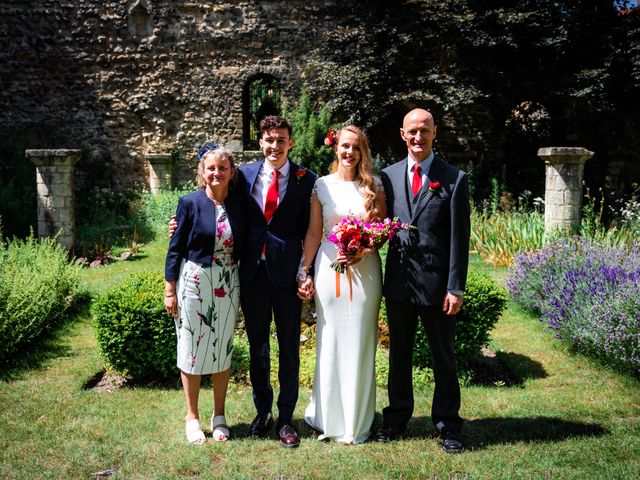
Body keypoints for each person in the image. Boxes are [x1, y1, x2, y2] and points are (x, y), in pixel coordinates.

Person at [376, 108, 470, 453]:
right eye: (412, 132)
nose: (418, 138)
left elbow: (460, 239)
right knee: (398, 355)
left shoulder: (454, 178)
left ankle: (448, 425)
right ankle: (397, 418)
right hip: (399, 283)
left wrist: (455, 287)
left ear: (434, 133)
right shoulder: (387, 176)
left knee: (443, 357)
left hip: (437, 286)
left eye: (424, 131)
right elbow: (379, 228)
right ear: (403, 134)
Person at [297, 125, 386, 444]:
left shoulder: (374, 186)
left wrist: (363, 249)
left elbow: (381, 232)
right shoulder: (322, 186)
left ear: (363, 152)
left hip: (366, 274)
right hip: (328, 271)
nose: (349, 152)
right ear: (335, 148)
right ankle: (327, 416)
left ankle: (358, 420)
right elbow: (313, 233)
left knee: (362, 340)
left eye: (356, 147)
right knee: (330, 339)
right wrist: (304, 271)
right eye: (344, 146)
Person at [237, 116, 317, 447]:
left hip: (286, 277)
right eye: (269, 139)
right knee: (258, 348)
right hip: (253, 273)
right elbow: (218, 203)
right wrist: (179, 221)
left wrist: (305, 271)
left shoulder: (306, 179)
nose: (275, 145)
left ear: (290, 143)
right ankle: (262, 411)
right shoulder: (243, 175)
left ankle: (286, 418)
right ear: (261, 142)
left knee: (288, 349)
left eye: (281, 140)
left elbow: (312, 228)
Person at [164, 144, 247, 444]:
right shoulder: (189, 203)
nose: (216, 173)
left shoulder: (240, 203)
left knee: (222, 347)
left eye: (222, 167)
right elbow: (175, 249)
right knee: (192, 348)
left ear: (231, 172)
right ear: (202, 172)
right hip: (194, 281)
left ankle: (220, 415)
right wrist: (169, 289)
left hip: (227, 281)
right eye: (211, 168)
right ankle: (192, 416)